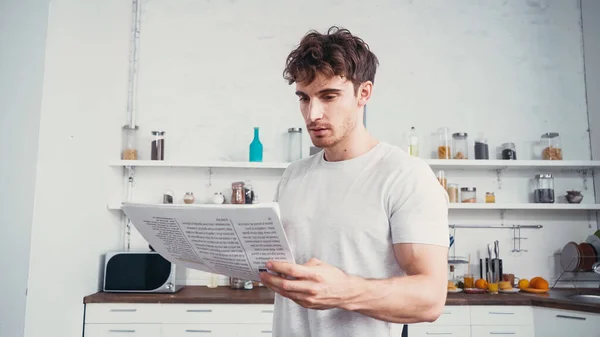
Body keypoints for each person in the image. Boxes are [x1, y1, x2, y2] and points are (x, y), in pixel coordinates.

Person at [259, 26, 450, 337]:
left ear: (364, 93)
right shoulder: (293, 175)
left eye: (328, 96)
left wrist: (344, 291)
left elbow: (430, 299)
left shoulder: (406, 176)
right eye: (304, 99)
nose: (313, 114)